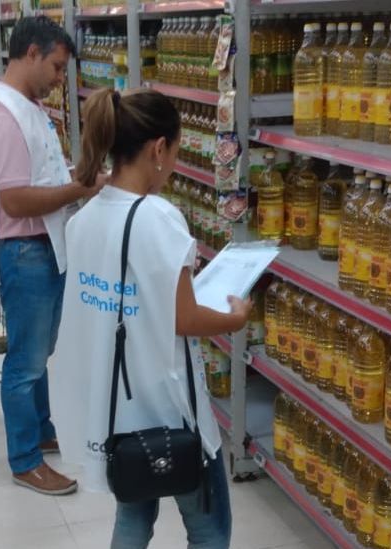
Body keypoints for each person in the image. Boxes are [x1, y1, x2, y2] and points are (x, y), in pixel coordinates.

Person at [50, 88, 252, 548]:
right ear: (158, 149)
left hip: (120, 410)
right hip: (171, 408)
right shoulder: (158, 218)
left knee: (133, 516)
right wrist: (233, 318)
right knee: (209, 528)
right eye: (176, 153)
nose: (174, 164)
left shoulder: (83, 219)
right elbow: (183, 318)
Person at [0, 16, 104, 496]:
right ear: (31, 53)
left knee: (40, 353)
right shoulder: (4, 115)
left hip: (43, 245)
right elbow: (16, 201)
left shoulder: (27, 107)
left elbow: (40, 176)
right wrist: (80, 189)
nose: (59, 78)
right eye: (56, 66)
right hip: (23, 251)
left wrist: (76, 178)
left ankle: (42, 430)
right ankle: (25, 460)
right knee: (25, 363)